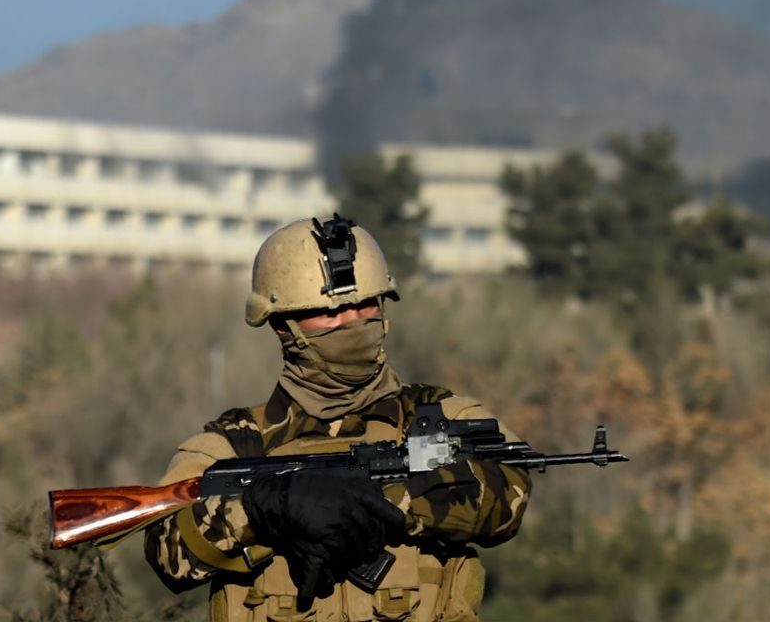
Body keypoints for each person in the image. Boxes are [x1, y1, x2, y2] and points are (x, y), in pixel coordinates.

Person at [144, 214, 531, 622]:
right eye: (330, 312)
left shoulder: (442, 414)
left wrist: (381, 500)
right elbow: (166, 548)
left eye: (365, 304)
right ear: (282, 326)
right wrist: (267, 507)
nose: (352, 322)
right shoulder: (233, 442)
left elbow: (509, 490)